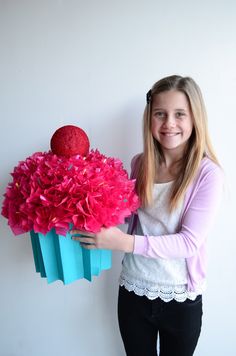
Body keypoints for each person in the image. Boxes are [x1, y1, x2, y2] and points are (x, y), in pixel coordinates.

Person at [71, 75, 224, 356]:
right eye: (160, 114)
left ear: (195, 119)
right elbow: (129, 219)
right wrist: (86, 198)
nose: (169, 123)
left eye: (180, 114)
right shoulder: (140, 164)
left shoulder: (208, 174)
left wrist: (122, 243)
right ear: (149, 118)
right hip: (133, 290)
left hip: (181, 299)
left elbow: (188, 243)